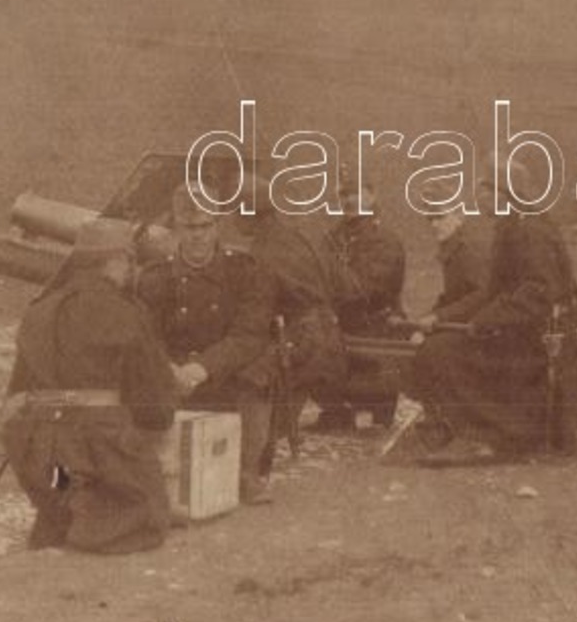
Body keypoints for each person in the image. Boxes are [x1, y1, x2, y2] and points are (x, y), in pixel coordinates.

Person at [409, 160, 577, 461]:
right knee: (441, 346)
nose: (478, 198)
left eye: (484, 190)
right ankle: (472, 429)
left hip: (545, 336)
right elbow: (493, 292)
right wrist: (444, 318)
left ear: (503, 193)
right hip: (525, 327)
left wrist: (486, 320)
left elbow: (539, 293)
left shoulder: (530, 230)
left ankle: (478, 436)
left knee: (444, 353)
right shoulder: (511, 225)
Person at [0, 218, 177, 552]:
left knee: (66, 479)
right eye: (129, 261)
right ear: (114, 261)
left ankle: (64, 511)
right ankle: (92, 519)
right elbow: (153, 401)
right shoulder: (125, 311)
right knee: (145, 511)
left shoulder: (38, 310)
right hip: (96, 451)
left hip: (44, 460)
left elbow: (15, 393)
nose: (130, 270)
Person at [138, 185, 281, 505]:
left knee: (258, 370)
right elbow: (145, 336)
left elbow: (249, 335)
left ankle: (246, 473)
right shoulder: (154, 277)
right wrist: (168, 370)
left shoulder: (245, 271)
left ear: (218, 225)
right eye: (190, 227)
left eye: (206, 226)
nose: (198, 235)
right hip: (173, 378)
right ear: (176, 228)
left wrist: (203, 368)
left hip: (223, 375)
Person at [248, 177, 353, 435]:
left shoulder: (264, 246)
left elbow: (261, 306)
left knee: (245, 371)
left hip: (303, 345)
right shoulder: (293, 237)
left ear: (247, 216)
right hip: (327, 335)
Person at [327, 180, 408, 427]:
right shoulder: (334, 236)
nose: (349, 200)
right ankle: (338, 409)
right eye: (343, 195)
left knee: (375, 385)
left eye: (355, 193)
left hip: (375, 323)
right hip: (341, 321)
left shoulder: (384, 239)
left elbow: (369, 291)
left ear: (372, 196)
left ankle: (376, 408)